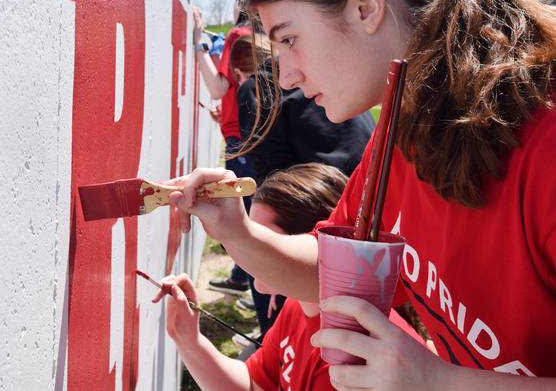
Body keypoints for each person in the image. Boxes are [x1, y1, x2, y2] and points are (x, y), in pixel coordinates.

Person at [169, 0, 556, 390]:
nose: (288, 76)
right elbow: (339, 272)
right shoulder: (408, 123)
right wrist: (239, 233)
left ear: (365, 6)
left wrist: (437, 382)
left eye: (290, 39)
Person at [156, 163, 424, 391]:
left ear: (307, 243)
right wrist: (190, 341)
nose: (242, 251)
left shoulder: (354, 346)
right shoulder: (299, 305)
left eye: (264, 237)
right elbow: (254, 383)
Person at [230, 33, 375, 337]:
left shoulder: (257, 89)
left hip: (317, 205)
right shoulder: (321, 76)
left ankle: (278, 346)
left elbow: (273, 182)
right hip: (364, 197)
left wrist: (275, 280)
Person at [193, 0, 256, 296]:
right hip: (250, 131)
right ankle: (245, 276)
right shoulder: (262, 36)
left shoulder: (238, 34)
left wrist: (198, 43)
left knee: (244, 212)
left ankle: (245, 277)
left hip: (240, 138)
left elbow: (217, 88)